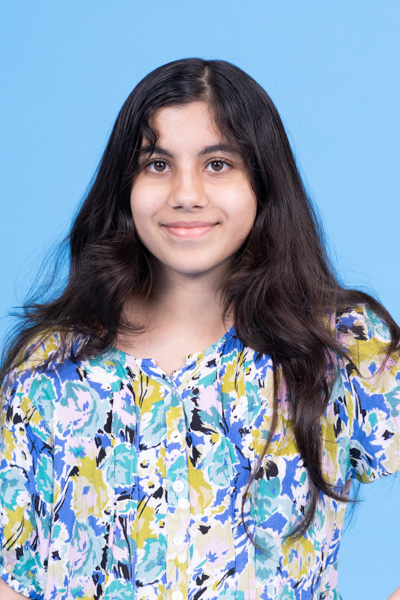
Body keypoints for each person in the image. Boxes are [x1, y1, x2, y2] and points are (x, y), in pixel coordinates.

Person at [0, 58, 399, 600]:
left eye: (217, 164)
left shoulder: (339, 346)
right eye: (157, 164)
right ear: (125, 186)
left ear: (262, 182)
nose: (186, 194)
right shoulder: (50, 367)